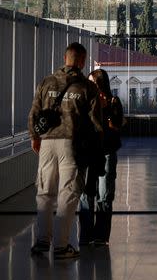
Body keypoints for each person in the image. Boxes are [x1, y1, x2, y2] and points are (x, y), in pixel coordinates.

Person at [29, 43, 104, 260]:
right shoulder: (87, 88)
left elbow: (33, 113)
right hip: (72, 144)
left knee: (44, 192)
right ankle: (61, 246)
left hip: (47, 143)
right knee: (68, 194)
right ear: (82, 61)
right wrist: (96, 148)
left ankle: (42, 241)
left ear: (65, 57)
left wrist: (34, 137)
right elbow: (96, 123)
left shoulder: (46, 82)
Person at [79, 69, 124, 246]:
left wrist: (106, 109)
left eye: (94, 83)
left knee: (104, 195)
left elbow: (117, 126)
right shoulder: (85, 102)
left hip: (107, 152)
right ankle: (86, 234)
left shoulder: (114, 102)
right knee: (86, 195)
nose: (91, 86)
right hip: (89, 152)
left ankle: (101, 235)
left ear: (101, 84)